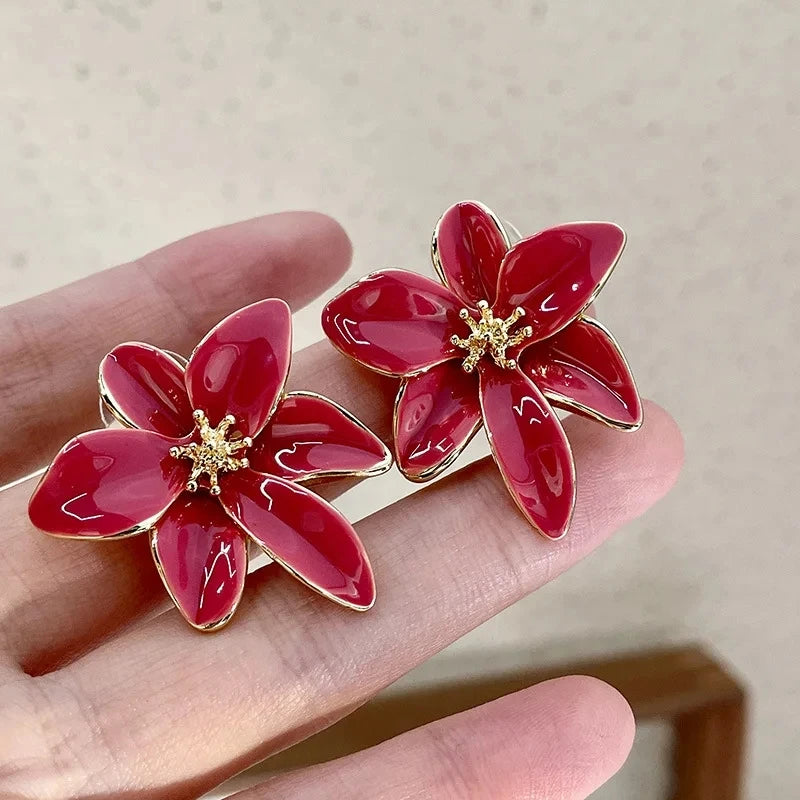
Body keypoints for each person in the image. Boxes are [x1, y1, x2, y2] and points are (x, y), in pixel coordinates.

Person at [0, 212, 683, 799]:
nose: (492, 334)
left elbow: (379, 440)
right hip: (204, 498)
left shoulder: (501, 364)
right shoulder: (184, 468)